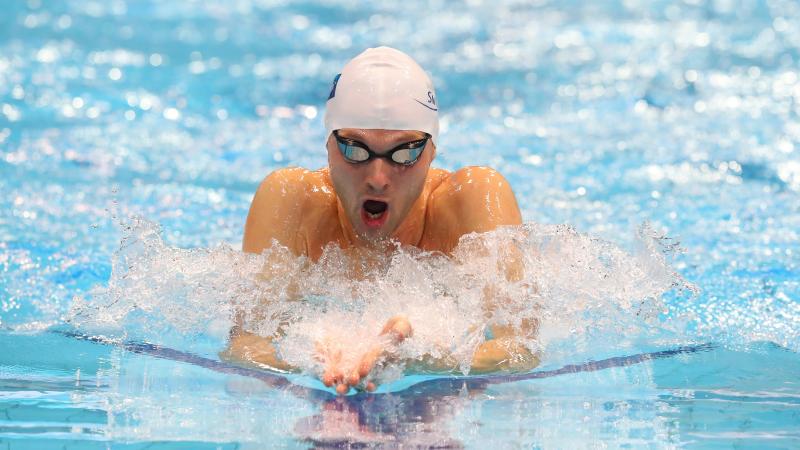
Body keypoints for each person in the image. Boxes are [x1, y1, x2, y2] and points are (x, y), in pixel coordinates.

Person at [222, 46, 537, 394]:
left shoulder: (471, 200)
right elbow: (244, 346)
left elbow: (522, 351)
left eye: (404, 153)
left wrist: (423, 359)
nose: (378, 177)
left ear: (431, 151)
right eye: (355, 149)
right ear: (328, 145)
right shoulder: (292, 201)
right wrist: (308, 360)